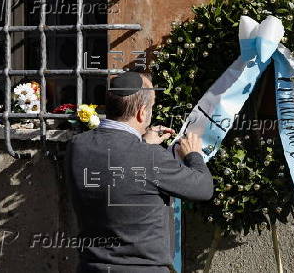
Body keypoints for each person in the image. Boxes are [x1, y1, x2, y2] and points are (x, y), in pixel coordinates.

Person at [65, 71, 214, 273]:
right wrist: (193, 155)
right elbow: (203, 188)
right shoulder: (150, 157)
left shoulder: (77, 146)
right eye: (152, 106)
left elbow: (119, 170)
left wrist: (142, 143)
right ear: (142, 112)